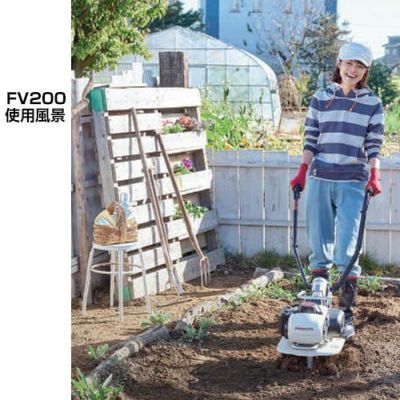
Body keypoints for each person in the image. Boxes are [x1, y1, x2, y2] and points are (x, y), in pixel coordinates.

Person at [290, 42, 384, 339]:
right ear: (339, 63)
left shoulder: (372, 103)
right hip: (320, 177)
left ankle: (346, 313)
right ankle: (318, 306)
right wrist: (302, 171)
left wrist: (374, 174)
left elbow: (374, 144)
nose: (352, 70)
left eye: (360, 66)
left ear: (365, 71)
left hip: (352, 181)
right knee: (319, 245)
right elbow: (311, 138)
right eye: (349, 63)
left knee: (347, 248)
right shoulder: (321, 98)